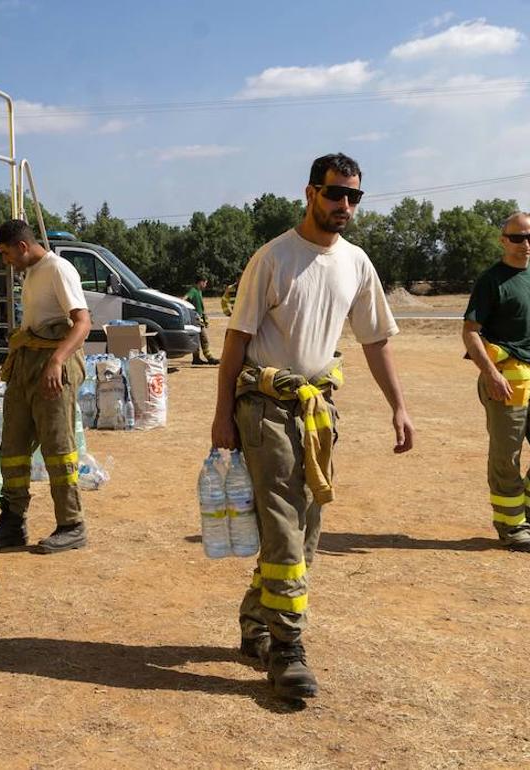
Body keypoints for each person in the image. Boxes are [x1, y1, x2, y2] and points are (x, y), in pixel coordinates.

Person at [212, 153, 414, 701]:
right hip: (265, 408)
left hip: (317, 412)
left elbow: (375, 340)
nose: (343, 205)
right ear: (310, 192)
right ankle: (287, 649)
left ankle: (256, 624)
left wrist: (398, 405)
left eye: (353, 196)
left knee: (306, 532)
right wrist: (222, 414)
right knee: (282, 526)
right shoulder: (273, 258)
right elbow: (235, 340)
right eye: (334, 193)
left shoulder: (356, 263)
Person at [0, 220, 92, 554]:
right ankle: (12, 522)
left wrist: (57, 361)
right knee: (13, 447)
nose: (6, 261)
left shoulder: (58, 269)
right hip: (27, 364)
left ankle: (72, 525)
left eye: (6, 253)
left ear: (22, 246)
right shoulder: (32, 273)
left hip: (52, 365)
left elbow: (82, 323)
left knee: (58, 449)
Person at [462, 212, 530, 553]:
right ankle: (512, 527)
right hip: (507, 381)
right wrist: (491, 374)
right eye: (517, 237)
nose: (525, 244)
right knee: (507, 457)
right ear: (503, 240)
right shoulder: (492, 280)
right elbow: (470, 333)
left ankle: (526, 511)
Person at [184, 277, 220, 365]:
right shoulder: (193, 291)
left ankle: (197, 359)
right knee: (203, 339)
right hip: (195, 320)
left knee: (199, 339)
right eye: (205, 283)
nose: (206, 285)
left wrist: (205, 318)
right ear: (200, 282)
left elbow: (201, 308)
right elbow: (185, 298)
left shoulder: (199, 292)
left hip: (199, 320)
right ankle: (207, 358)